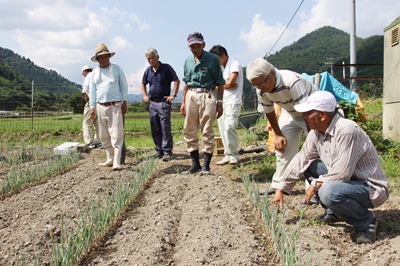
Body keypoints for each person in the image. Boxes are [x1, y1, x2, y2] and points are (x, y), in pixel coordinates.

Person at [272, 91, 389, 244]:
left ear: (322, 115)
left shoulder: (346, 130)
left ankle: (366, 222)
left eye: (308, 113)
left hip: (369, 188)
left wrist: (316, 184)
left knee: (328, 192)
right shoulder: (316, 133)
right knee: (310, 166)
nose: (304, 117)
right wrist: (281, 188)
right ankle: (335, 211)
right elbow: (302, 159)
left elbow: (343, 173)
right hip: (349, 182)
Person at [246, 58, 318, 195]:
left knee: (313, 150)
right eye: (256, 85)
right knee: (283, 147)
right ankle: (279, 185)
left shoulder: (291, 81)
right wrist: (277, 134)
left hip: (312, 112)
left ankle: (312, 188)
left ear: (271, 73)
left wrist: (313, 139)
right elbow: (269, 112)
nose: (260, 88)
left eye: (261, 83)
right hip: (289, 112)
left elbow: (306, 111)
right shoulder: (261, 89)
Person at [180, 32, 225, 175]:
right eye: (192, 46)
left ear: (203, 45)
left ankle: (206, 165)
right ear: (189, 48)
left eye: (198, 46)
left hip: (208, 94)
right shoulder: (187, 61)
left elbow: (220, 82)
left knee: (207, 129)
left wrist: (220, 102)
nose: (195, 49)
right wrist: (183, 102)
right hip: (191, 95)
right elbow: (185, 83)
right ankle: (195, 164)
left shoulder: (213, 59)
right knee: (189, 129)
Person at [89, 43, 128, 171]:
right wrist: (92, 107)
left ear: (109, 57)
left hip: (115, 105)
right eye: (101, 57)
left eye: (105, 56)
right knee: (104, 134)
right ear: (98, 59)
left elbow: (124, 86)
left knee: (116, 133)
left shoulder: (117, 69)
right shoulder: (94, 73)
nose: (104, 59)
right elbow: (92, 91)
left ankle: (117, 161)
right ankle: (109, 158)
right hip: (100, 106)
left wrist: (125, 101)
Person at [141, 48, 180, 161]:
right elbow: (143, 83)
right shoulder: (148, 70)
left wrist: (174, 95)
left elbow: (176, 80)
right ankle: (159, 150)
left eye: (152, 57)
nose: (150, 60)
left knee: (165, 128)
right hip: (152, 103)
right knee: (155, 128)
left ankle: (167, 151)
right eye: (148, 58)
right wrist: (144, 95)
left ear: (158, 57)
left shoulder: (166, 68)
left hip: (163, 102)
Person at [209, 45, 243, 165]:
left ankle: (234, 155)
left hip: (233, 101)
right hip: (222, 102)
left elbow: (229, 82)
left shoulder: (234, 64)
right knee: (223, 129)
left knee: (230, 127)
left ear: (223, 55)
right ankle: (227, 155)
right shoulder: (221, 67)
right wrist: (223, 85)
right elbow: (214, 84)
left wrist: (224, 85)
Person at [81, 65, 101, 149]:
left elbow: (85, 89)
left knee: (87, 122)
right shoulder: (96, 75)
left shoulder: (88, 76)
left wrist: (87, 99)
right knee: (98, 122)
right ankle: (99, 141)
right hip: (100, 101)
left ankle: (89, 142)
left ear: (85, 72)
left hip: (91, 101)